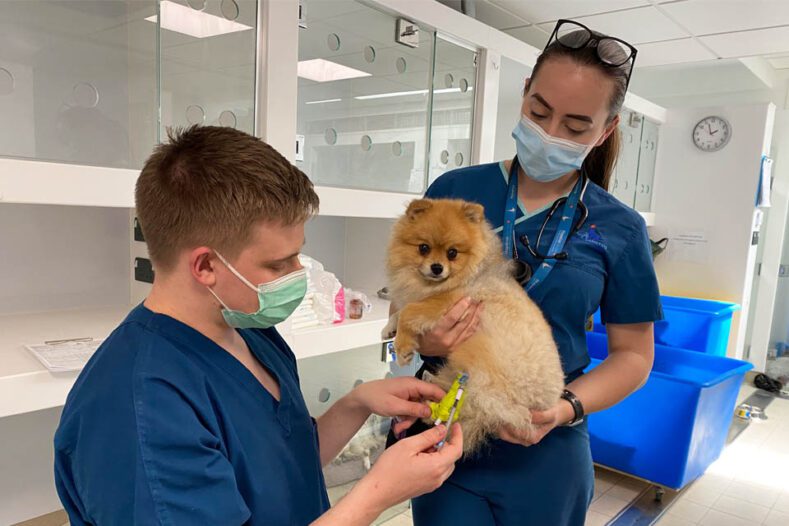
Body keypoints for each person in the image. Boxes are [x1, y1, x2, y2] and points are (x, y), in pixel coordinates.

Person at [53, 126, 463, 525]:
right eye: (278, 264)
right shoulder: (141, 407)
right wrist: (378, 494)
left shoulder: (249, 330)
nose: (298, 274)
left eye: (298, 255)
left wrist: (356, 404)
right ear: (206, 265)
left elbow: (283, 466)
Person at [389, 20, 662, 526]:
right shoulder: (458, 189)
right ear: (524, 97)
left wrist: (563, 410)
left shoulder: (619, 227)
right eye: (540, 111)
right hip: (445, 427)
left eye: (576, 126)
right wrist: (422, 345)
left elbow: (634, 357)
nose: (551, 133)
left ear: (606, 130)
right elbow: (407, 299)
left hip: (546, 444)